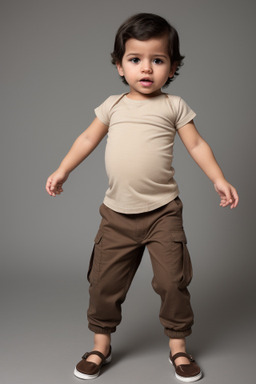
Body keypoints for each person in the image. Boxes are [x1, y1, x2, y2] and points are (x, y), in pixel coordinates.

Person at [45, 13, 239, 383]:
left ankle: (178, 348)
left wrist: (219, 178)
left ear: (173, 67)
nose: (146, 68)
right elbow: (87, 139)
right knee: (104, 283)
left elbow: (196, 144)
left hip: (163, 214)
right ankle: (100, 344)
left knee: (172, 282)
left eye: (158, 59)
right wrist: (62, 169)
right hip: (116, 215)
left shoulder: (174, 106)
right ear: (120, 66)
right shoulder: (112, 106)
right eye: (135, 59)